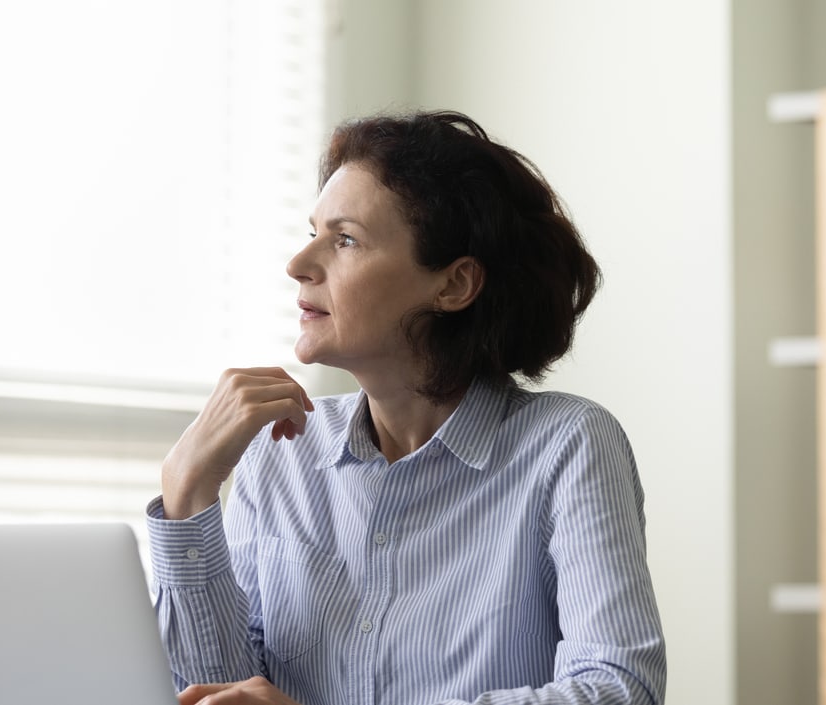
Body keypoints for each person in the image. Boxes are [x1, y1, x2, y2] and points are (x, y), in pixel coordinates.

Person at [146, 110, 666, 705]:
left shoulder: (569, 444)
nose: (298, 263)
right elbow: (215, 692)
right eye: (312, 231)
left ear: (453, 285)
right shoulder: (280, 454)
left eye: (345, 239)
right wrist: (187, 494)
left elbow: (619, 691)